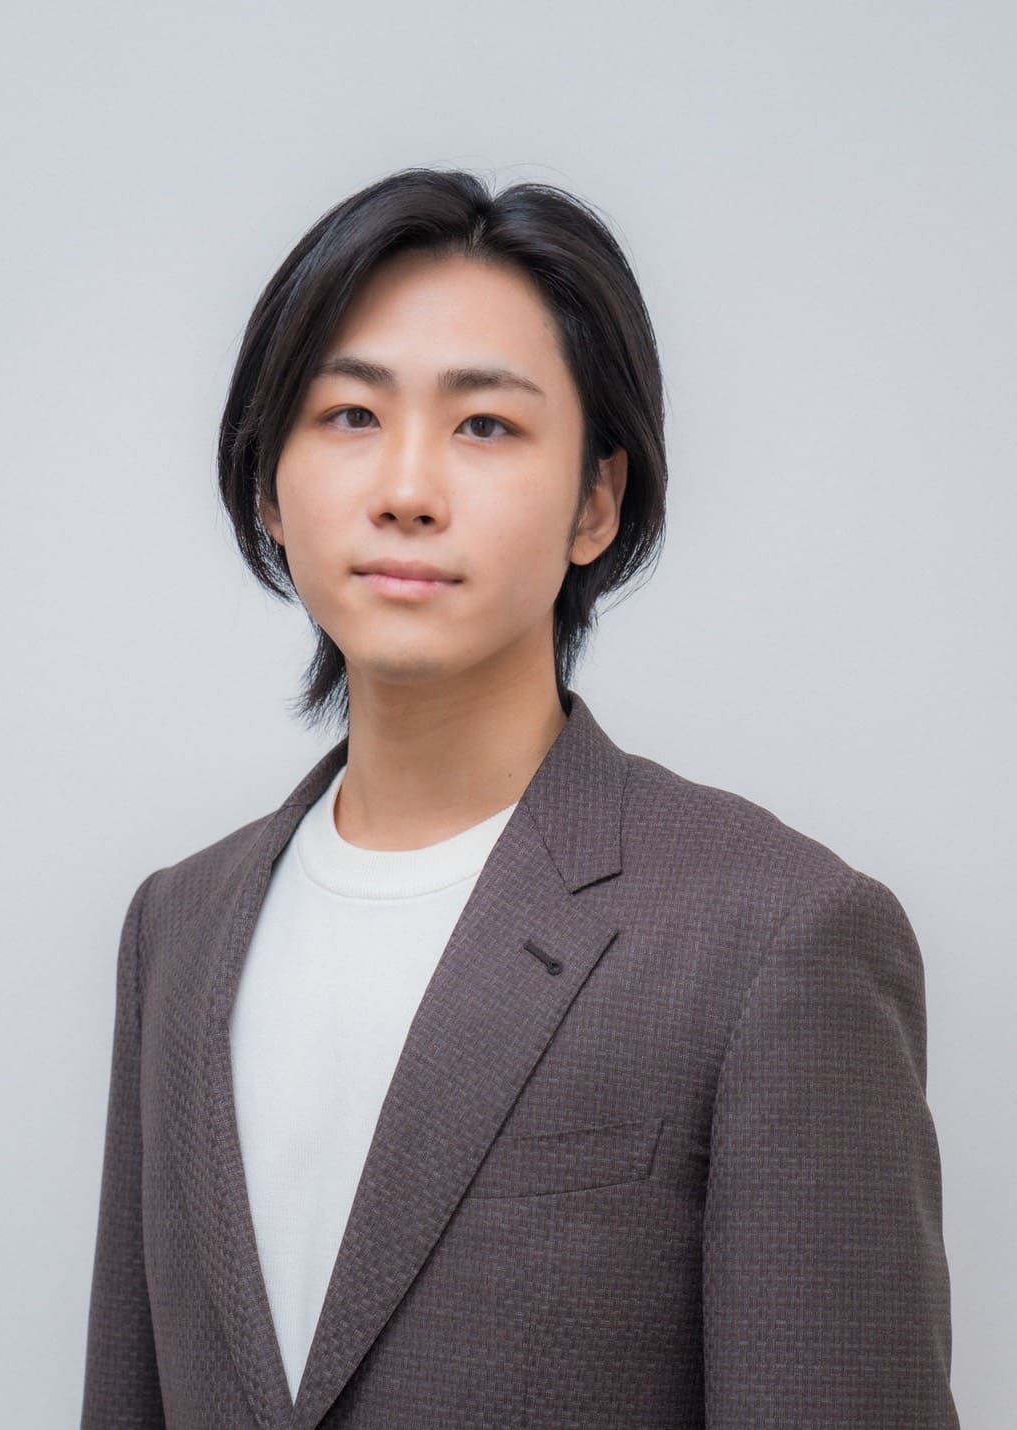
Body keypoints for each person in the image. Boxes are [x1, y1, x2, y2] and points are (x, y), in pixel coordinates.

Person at [80, 167, 959, 1428]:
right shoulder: (177, 927)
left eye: (485, 425)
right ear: (269, 487)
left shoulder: (777, 935)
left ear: (596, 500)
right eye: (347, 414)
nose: (407, 488)